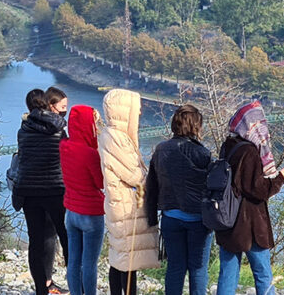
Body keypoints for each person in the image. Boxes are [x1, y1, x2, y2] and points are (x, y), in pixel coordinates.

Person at [216, 101, 284, 295]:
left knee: (228, 274)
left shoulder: (229, 146)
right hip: (250, 225)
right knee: (263, 274)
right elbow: (258, 189)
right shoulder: (250, 152)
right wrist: (281, 178)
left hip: (228, 221)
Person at [145, 105, 212, 295]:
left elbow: (152, 186)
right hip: (198, 219)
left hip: (170, 218)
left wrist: (151, 217)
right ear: (196, 126)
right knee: (198, 269)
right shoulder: (203, 153)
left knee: (175, 267)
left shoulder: (161, 150)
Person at [99, 89, 160, 295]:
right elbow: (136, 176)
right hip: (126, 207)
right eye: (137, 109)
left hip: (118, 203)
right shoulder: (118, 139)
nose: (140, 113)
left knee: (120, 256)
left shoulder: (109, 134)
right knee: (127, 259)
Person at [14, 89, 69, 295]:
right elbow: (65, 157)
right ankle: (75, 282)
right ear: (48, 105)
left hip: (29, 191)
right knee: (65, 237)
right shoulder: (58, 131)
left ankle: (42, 288)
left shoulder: (23, 130)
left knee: (37, 240)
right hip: (56, 189)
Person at [60, 104, 105, 295]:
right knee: (89, 263)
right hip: (91, 214)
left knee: (74, 261)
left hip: (71, 212)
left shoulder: (64, 147)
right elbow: (100, 182)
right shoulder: (90, 154)